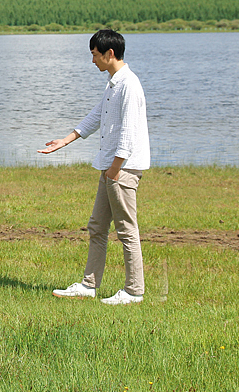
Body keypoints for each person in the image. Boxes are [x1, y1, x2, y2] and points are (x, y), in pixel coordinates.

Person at [38, 29, 149, 305]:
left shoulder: (129, 85)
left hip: (121, 169)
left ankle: (134, 291)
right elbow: (97, 116)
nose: (93, 61)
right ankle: (88, 286)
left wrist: (115, 169)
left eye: (95, 55)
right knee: (97, 227)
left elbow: (129, 132)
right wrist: (65, 140)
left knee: (126, 230)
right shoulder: (113, 83)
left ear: (110, 54)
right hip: (110, 167)